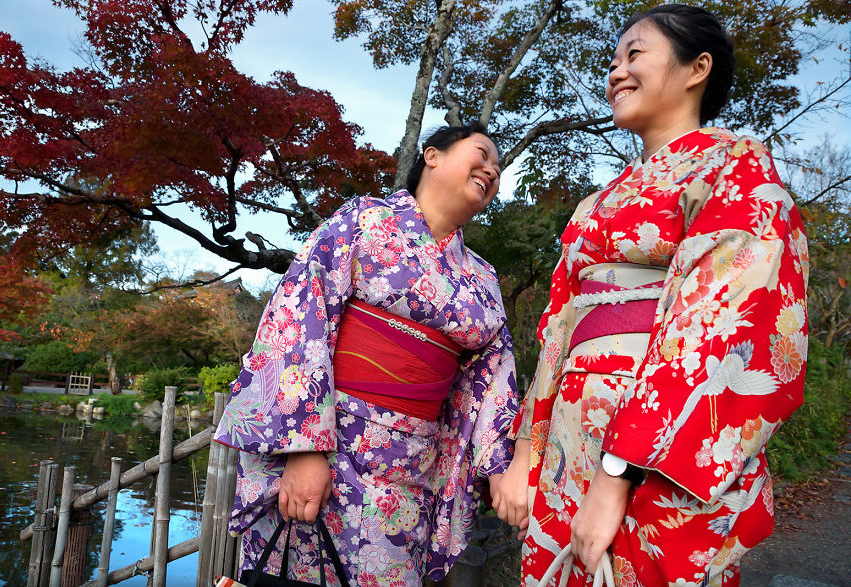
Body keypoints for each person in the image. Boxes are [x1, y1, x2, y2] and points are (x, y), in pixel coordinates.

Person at [499, 4, 809, 585]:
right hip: (570, 430)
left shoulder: (734, 167)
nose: (616, 71)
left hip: (652, 448)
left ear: (697, 68)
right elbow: (560, 331)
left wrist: (618, 474)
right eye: (612, 60)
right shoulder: (597, 202)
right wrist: (525, 459)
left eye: (634, 54)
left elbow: (723, 326)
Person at [213, 123, 519, 585]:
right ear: (432, 156)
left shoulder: (482, 278)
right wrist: (304, 449)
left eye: (498, 167)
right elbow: (298, 318)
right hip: (333, 450)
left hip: (414, 469)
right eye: (482, 153)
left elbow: (492, 379)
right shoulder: (363, 221)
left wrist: (499, 466)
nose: (491, 169)